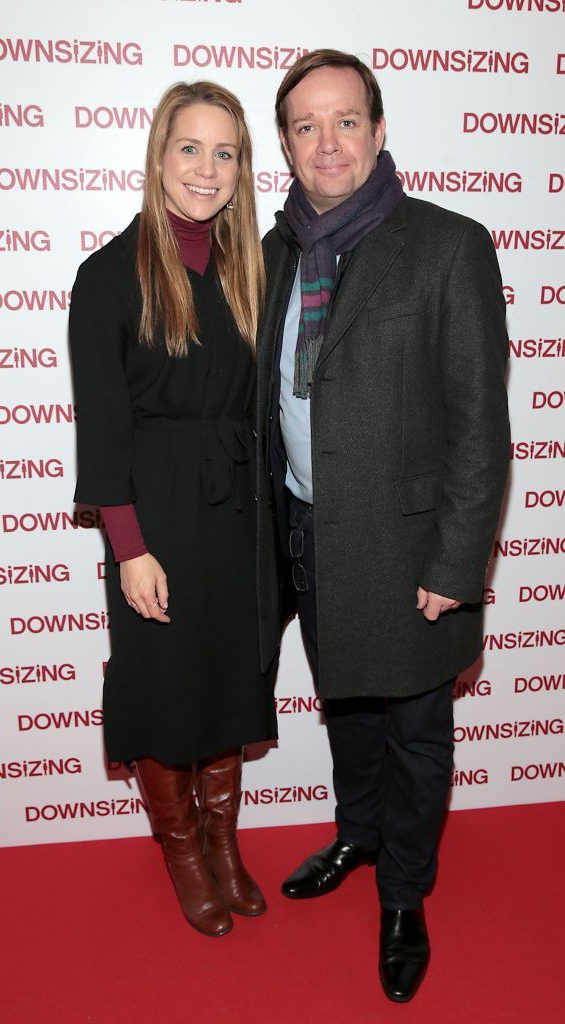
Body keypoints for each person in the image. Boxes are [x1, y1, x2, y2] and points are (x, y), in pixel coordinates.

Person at [255, 50, 510, 1001]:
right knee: (347, 709)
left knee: (416, 727)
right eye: (306, 126)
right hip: (312, 534)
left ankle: (405, 894)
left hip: (410, 554)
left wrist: (458, 561)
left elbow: (481, 426)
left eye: (346, 121)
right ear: (285, 142)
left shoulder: (448, 244)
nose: (327, 143)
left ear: (380, 128)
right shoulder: (278, 248)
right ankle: (358, 834)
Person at [70, 81, 277, 939]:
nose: (207, 167)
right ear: (159, 156)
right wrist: (128, 548)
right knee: (163, 690)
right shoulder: (109, 276)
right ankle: (184, 848)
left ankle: (226, 842)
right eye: (190, 147)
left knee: (230, 680)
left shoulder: (250, 267)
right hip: (154, 518)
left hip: (238, 511)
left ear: (242, 167)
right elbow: (104, 427)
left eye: (225, 151)